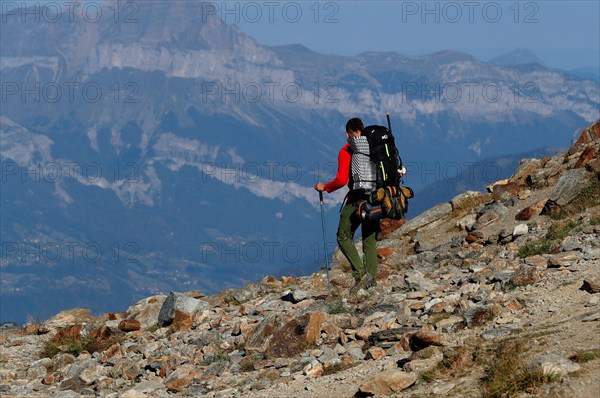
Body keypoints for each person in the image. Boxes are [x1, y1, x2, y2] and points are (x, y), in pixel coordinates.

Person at [314, 117, 379, 292]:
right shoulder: (374, 145)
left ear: (347, 133)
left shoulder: (347, 150)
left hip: (356, 200)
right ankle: (372, 283)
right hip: (377, 198)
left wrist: (325, 187)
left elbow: (342, 180)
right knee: (369, 240)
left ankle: (360, 275)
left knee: (343, 236)